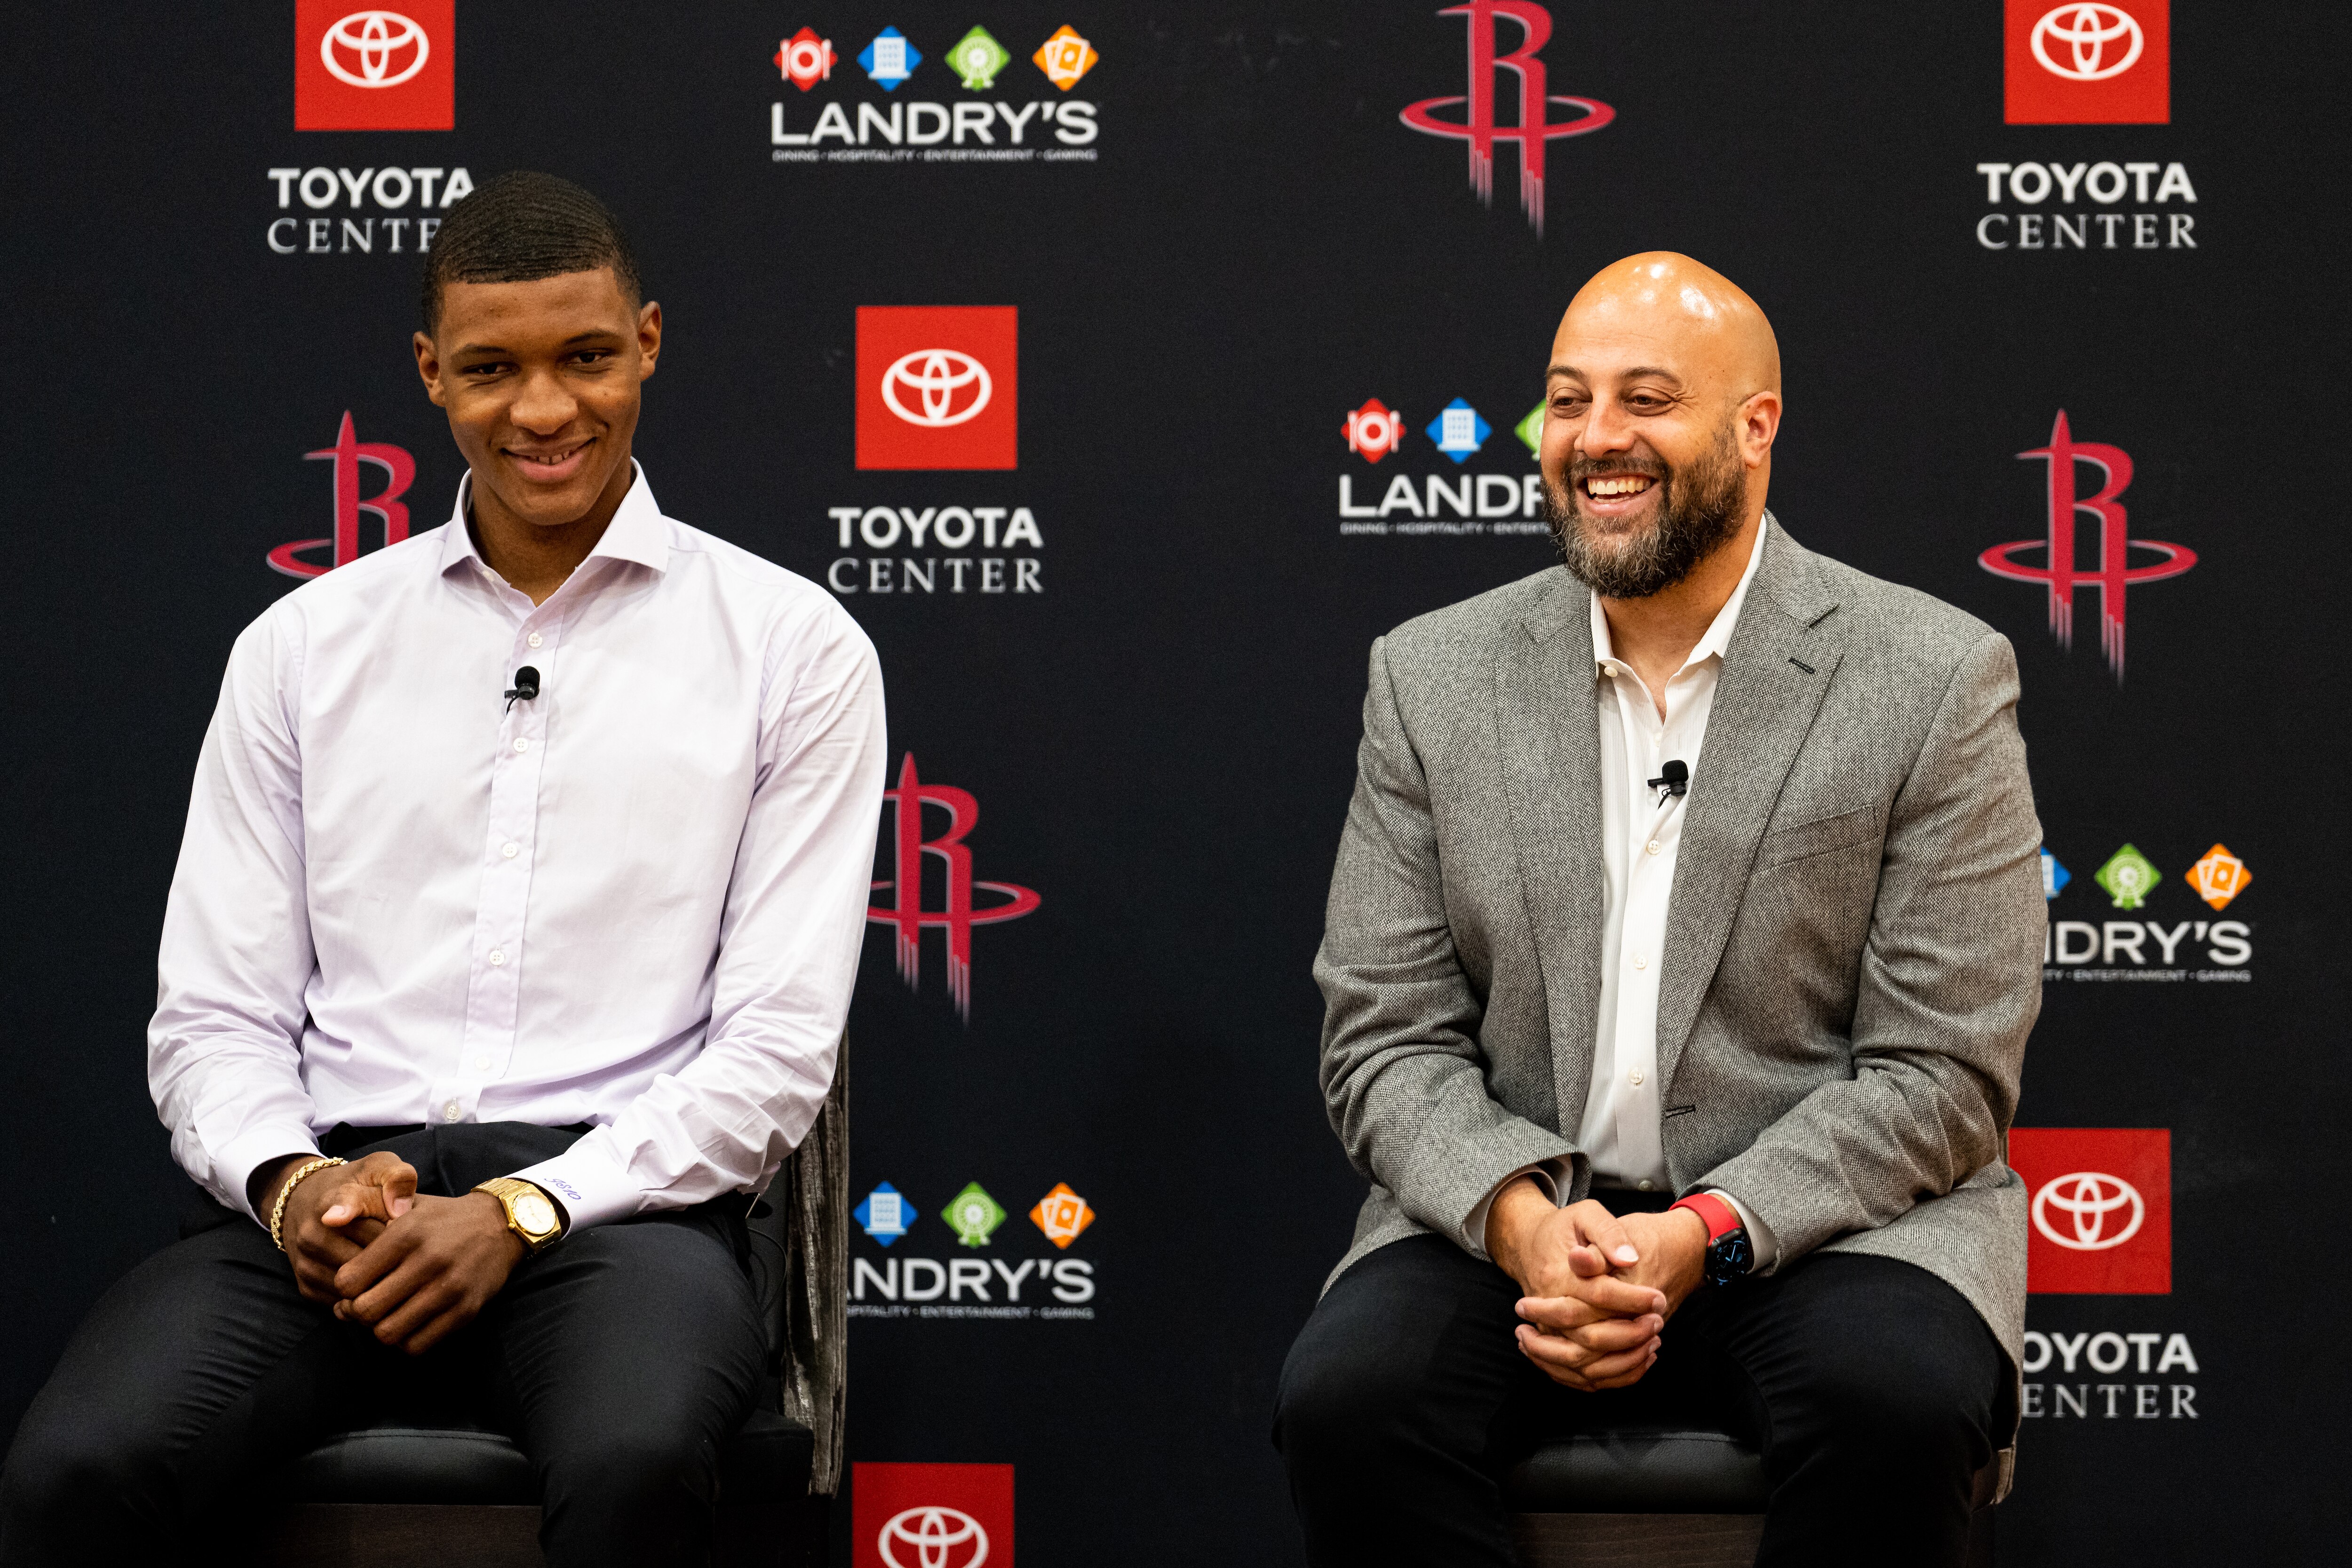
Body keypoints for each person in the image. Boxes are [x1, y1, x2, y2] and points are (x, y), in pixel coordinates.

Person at [0, 172, 885, 1568]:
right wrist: (292, 1184)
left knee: (642, 1461)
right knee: (78, 1468)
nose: (544, 411)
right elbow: (216, 1020)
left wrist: (525, 1208)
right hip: (332, 1214)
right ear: (431, 375)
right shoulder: (304, 647)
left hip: (623, 1216)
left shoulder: (792, 646)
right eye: (492, 369)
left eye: (586, 357)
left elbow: (775, 1051)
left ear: (649, 341)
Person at [1273, 253, 2042, 1566]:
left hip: (1827, 1229)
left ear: (1757, 428)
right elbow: (1382, 1040)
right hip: (1515, 1223)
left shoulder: (1931, 676)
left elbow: (1943, 1071)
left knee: (1892, 1405)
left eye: (1647, 399)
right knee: (1352, 1401)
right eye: (1568, 402)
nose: (1597, 440)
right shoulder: (1431, 675)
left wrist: (1705, 1234)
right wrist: (1524, 1225)